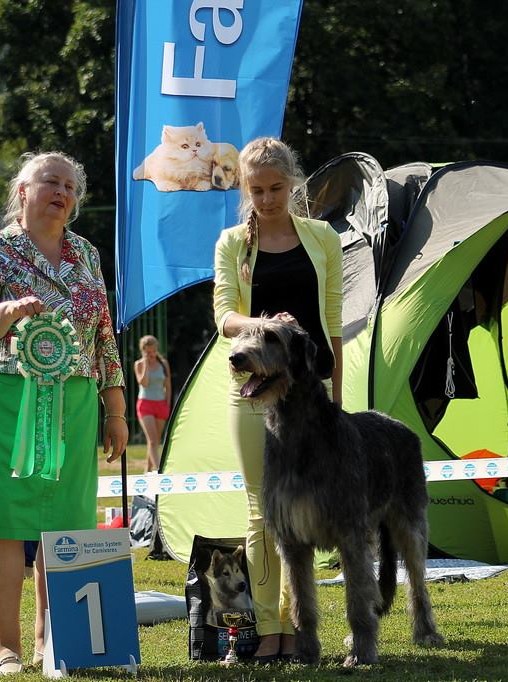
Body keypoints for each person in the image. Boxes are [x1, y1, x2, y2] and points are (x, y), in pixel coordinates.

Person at [0, 151, 128, 676]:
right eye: (49, 181)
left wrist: (116, 407)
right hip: (7, 400)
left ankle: (51, 640)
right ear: (22, 193)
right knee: (4, 525)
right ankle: (6, 647)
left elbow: (102, 333)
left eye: (70, 186)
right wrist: (1, 313)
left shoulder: (87, 255)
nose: (61, 191)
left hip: (75, 405)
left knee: (66, 524)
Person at [212, 137, 343, 663]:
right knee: (262, 512)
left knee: (305, 515)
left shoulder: (324, 238)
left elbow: (332, 320)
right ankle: (268, 628)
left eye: (276, 189)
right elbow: (224, 317)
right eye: (257, 190)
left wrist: (337, 399)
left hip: (312, 400)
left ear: (293, 184)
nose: (266, 199)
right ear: (245, 190)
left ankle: (298, 626)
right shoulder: (231, 243)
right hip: (253, 396)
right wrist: (265, 324)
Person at [133, 334, 171, 472]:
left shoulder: (163, 363)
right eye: (148, 352)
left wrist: (167, 404)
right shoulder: (139, 364)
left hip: (161, 404)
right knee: (153, 440)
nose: (152, 354)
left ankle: (147, 470)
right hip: (145, 404)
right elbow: (144, 382)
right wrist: (146, 365)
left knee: (154, 442)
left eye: (154, 351)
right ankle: (160, 471)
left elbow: (168, 385)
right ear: (143, 351)